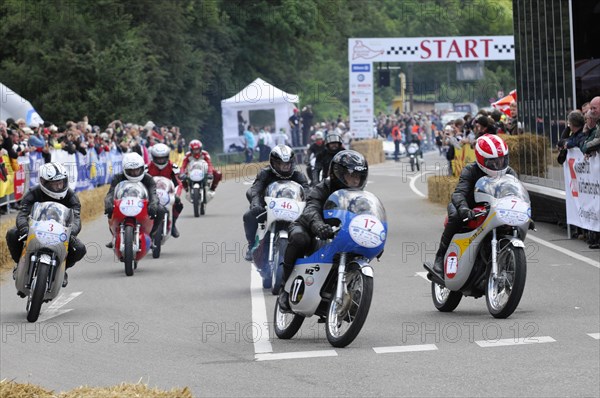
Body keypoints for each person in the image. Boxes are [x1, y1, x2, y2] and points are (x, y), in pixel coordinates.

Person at [278, 150, 369, 311]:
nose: (355, 180)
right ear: (338, 173)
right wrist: (318, 225)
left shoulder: (360, 196)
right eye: (351, 175)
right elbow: (311, 208)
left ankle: (348, 291)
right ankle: (284, 289)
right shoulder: (323, 187)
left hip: (338, 233)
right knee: (300, 238)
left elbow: (367, 215)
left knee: (354, 251)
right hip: (309, 227)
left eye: (358, 176)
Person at [429, 134, 518, 280]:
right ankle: (440, 257)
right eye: (493, 161)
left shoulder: (509, 173)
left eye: (502, 159)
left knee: (515, 227)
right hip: (470, 208)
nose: (498, 164)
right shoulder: (470, 170)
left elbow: (517, 194)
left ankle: (508, 261)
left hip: (494, 210)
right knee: (455, 217)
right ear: (482, 159)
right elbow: (459, 193)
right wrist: (464, 209)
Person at [6, 162, 87, 288]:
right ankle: (18, 264)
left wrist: (71, 233)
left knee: (80, 249)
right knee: (12, 234)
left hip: (61, 232)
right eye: (55, 184)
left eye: (61, 182)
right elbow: (22, 214)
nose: (59, 186)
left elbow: (76, 219)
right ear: (44, 183)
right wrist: (24, 228)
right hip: (36, 229)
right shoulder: (33, 193)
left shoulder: (71, 196)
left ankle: (62, 268)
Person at [243, 145, 310, 261]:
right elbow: (255, 190)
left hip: (293, 210)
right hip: (269, 208)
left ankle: (309, 251)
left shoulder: (299, 176)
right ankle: (251, 246)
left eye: (287, 164)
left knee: (311, 221)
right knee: (248, 216)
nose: (285, 167)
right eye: (281, 164)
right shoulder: (265, 173)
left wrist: (308, 208)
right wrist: (256, 204)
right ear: (273, 163)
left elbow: (308, 193)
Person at [104, 152, 163, 248]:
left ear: (142, 168)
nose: (134, 173)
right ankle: (114, 236)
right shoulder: (118, 177)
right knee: (109, 210)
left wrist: (153, 204)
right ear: (125, 170)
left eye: (137, 170)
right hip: (123, 202)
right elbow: (110, 193)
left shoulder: (148, 179)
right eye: (131, 171)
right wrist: (108, 203)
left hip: (143, 202)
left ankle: (150, 236)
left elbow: (153, 194)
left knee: (161, 210)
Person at [147, 143, 184, 238]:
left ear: (167, 157)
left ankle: (173, 225)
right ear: (153, 157)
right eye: (158, 158)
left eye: (163, 158)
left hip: (167, 192)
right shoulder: (146, 168)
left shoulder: (173, 167)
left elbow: (178, 183)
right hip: (151, 193)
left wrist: (177, 195)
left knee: (178, 204)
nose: (160, 160)